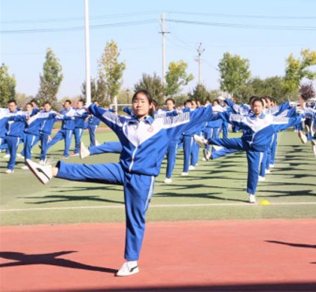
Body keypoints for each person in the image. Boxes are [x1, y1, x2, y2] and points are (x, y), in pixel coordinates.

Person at [25, 90, 214, 277]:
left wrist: (211, 109)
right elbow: (106, 115)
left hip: (143, 178)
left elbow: (191, 116)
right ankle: (50, 171)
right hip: (122, 170)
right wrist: (91, 108)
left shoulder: (162, 124)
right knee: (89, 171)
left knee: (135, 219)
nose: (138, 104)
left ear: (151, 106)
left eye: (142, 101)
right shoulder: (124, 124)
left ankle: (131, 262)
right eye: (135, 101)